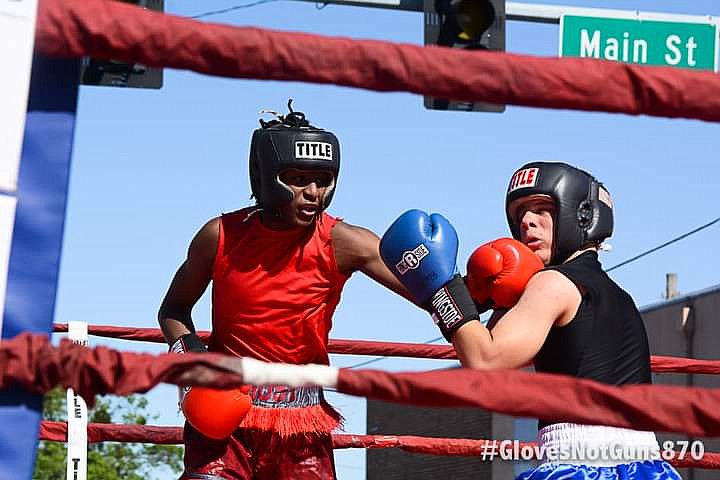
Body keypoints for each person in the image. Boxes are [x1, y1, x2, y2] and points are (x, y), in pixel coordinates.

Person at [379, 161, 681, 480]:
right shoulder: (616, 295)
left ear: (580, 215)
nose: (526, 222)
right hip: (644, 464)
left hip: (579, 463)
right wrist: (497, 299)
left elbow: (485, 361)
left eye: (542, 209)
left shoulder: (552, 284)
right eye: (520, 212)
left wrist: (441, 288)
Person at [158, 103, 410, 480]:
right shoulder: (220, 236)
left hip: (301, 424)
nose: (312, 193)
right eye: (297, 178)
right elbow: (173, 310)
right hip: (224, 419)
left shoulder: (345, 242)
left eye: (322, 181)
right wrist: (191, 357)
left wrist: (478, 297)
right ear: (267, 176)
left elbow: (428, 291)